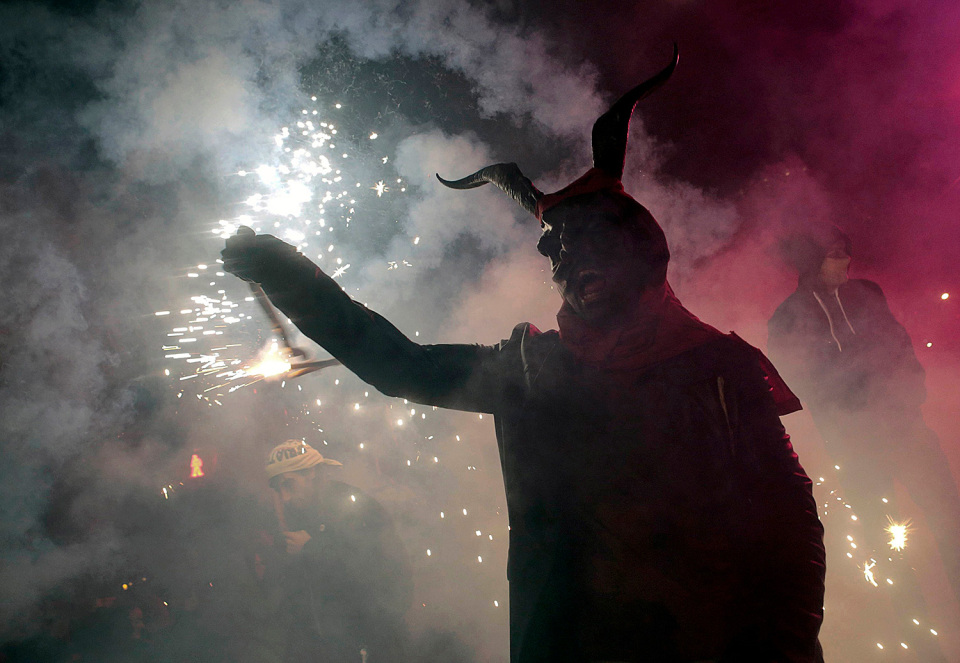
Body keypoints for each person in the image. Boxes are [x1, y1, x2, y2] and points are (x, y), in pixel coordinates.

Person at [226, 49, 826, 662]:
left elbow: (791, 527)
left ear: (642, 248)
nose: (569, 261)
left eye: (589, 241)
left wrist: (785, 647)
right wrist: (290, 276)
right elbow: (400, 366)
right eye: (557, 250)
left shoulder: (719, 367)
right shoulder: (533, 370)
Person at [768, 224, 960, 656]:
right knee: (884, 542)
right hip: (854, 447)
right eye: (833, 253)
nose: (844, 261)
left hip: (906, 428)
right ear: (811, 260)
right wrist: (848, 412)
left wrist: (908, 395)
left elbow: (900, 346)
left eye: (845, 252)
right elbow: (798, 383)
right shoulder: (787, 319)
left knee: (951, 518)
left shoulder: (867, 294)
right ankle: (923, 642)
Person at [266, 440, 412, 662]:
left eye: (289, 485)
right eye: (279, 490)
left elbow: (388, 577)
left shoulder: (354, 507)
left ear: (311, 473)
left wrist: (313, 547)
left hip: (373, 647)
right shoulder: (296, 518)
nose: (285, 497)